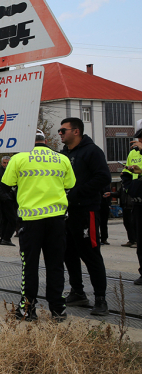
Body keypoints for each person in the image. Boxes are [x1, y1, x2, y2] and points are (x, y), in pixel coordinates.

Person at [2, 130, 76, 321]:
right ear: (45, 141)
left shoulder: (19, 158)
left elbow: (7, 183)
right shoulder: (62, 158)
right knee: (56, 265)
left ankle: (27, 310)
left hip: (30, 221)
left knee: (30, 266)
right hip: (57, 220)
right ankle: (58, 309)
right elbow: (70, 185)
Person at [59, 118, 112, 315]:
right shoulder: (64, 154)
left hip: (86, 210)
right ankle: (78, 292)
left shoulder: (92, 151)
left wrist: (77, 193)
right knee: (69, 253)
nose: (60, 134)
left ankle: (100, 299)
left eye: (63, 130)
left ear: (76, 131)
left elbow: (104, 177)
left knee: (90, 253)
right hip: (67, 212)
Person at [120, 129, 142, 286]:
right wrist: (128, 187)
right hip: (138, 200)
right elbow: (126, 172)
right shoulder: (133, 153)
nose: (137, 143)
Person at [0, 156, 18, 246]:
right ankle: (6, 238)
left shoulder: (11, 171)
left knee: (6, 220)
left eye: (8, 163)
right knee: (11, 219)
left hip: (9, 199)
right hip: (4, 200)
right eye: (4, 163)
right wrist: (6, 197)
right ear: (1, 163)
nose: (6, 164)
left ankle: (4, 238)